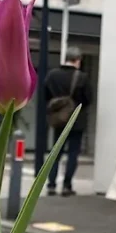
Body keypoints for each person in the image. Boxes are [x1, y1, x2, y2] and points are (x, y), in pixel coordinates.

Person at [45, 46, 92, 196]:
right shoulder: (82, 77)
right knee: (73, 153)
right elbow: (88, 99)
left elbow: (46, 94)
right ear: (77, 60)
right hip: (76, 120)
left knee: (55, 152)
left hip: (59, 119)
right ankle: (67, 186)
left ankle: (51, 185)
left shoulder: (52, 75)